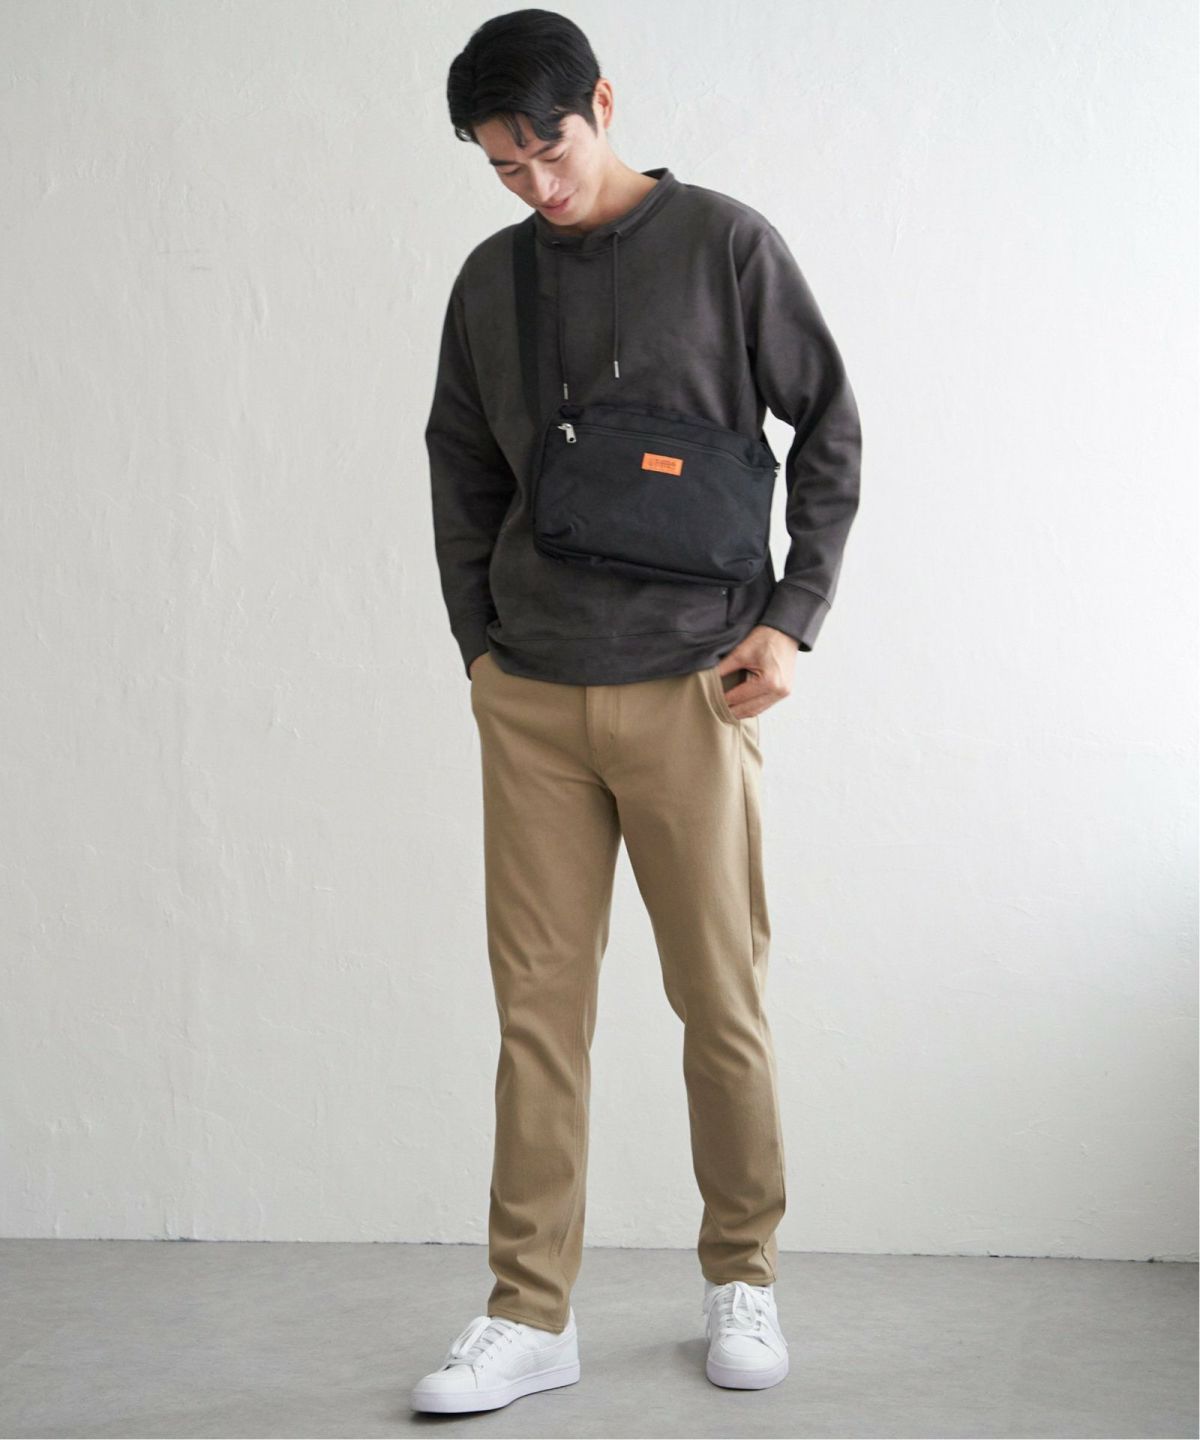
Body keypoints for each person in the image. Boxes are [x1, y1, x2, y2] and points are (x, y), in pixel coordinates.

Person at [413, 7, 861, 1416]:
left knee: (719, 999)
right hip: (533, 700)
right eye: (502, 166)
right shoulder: (491, 280)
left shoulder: (727, 245)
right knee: (537, 1019)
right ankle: (528, 1313)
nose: (534, 184)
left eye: (547, 148)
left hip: (691, 687)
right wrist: (480, 651)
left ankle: (744, 1276)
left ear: (602, 104)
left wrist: (792, 616)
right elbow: (458, 466)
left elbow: (831, 426)